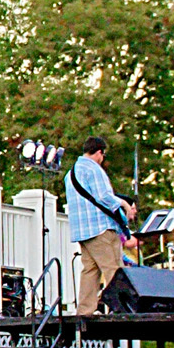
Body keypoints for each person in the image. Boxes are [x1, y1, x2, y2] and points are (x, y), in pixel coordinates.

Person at [67, 135, 136, 315]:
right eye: (103, 155)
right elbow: (104, 196)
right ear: (99, 152)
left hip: (82, 231)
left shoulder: (71, 173)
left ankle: (84, 312)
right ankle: (124, 310)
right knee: (114, 269)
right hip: (100, 228)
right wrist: (125, 205)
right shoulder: (94, 169)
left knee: (90, 271)